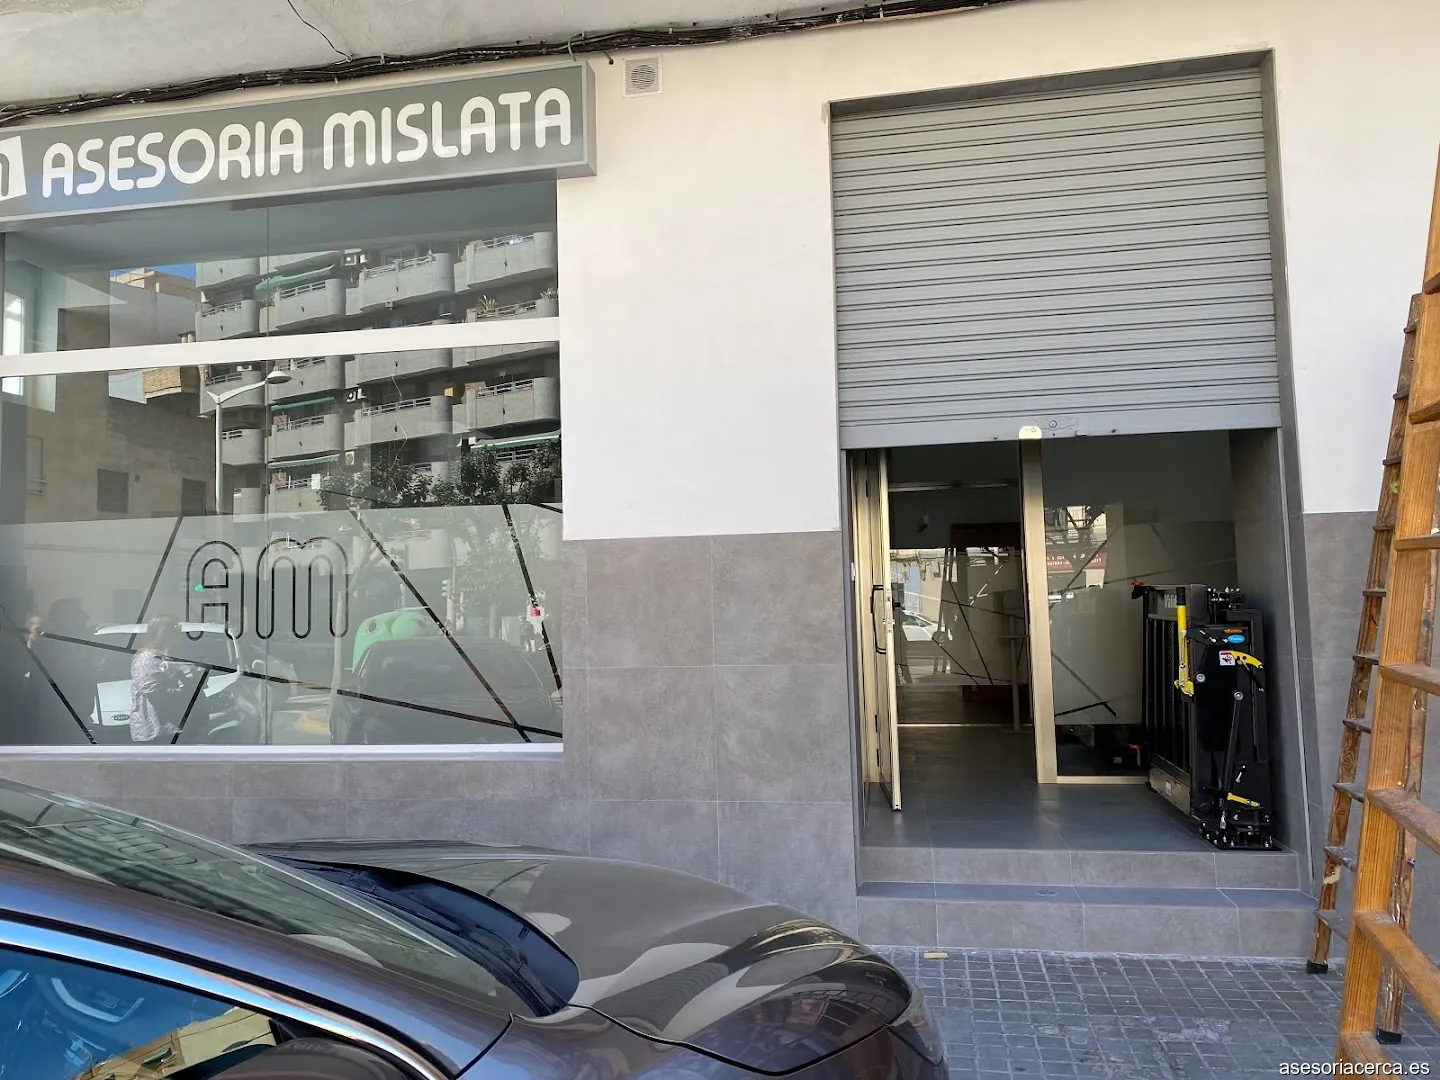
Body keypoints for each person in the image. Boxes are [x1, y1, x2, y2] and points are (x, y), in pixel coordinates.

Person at [129, 617, 186, 744]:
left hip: (175, 728)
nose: (178, 634)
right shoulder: (146, 658)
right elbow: (152, 690)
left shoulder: (169, 654)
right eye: (174, 630)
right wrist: (183, 692)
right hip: (155, 732)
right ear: (162, 634)